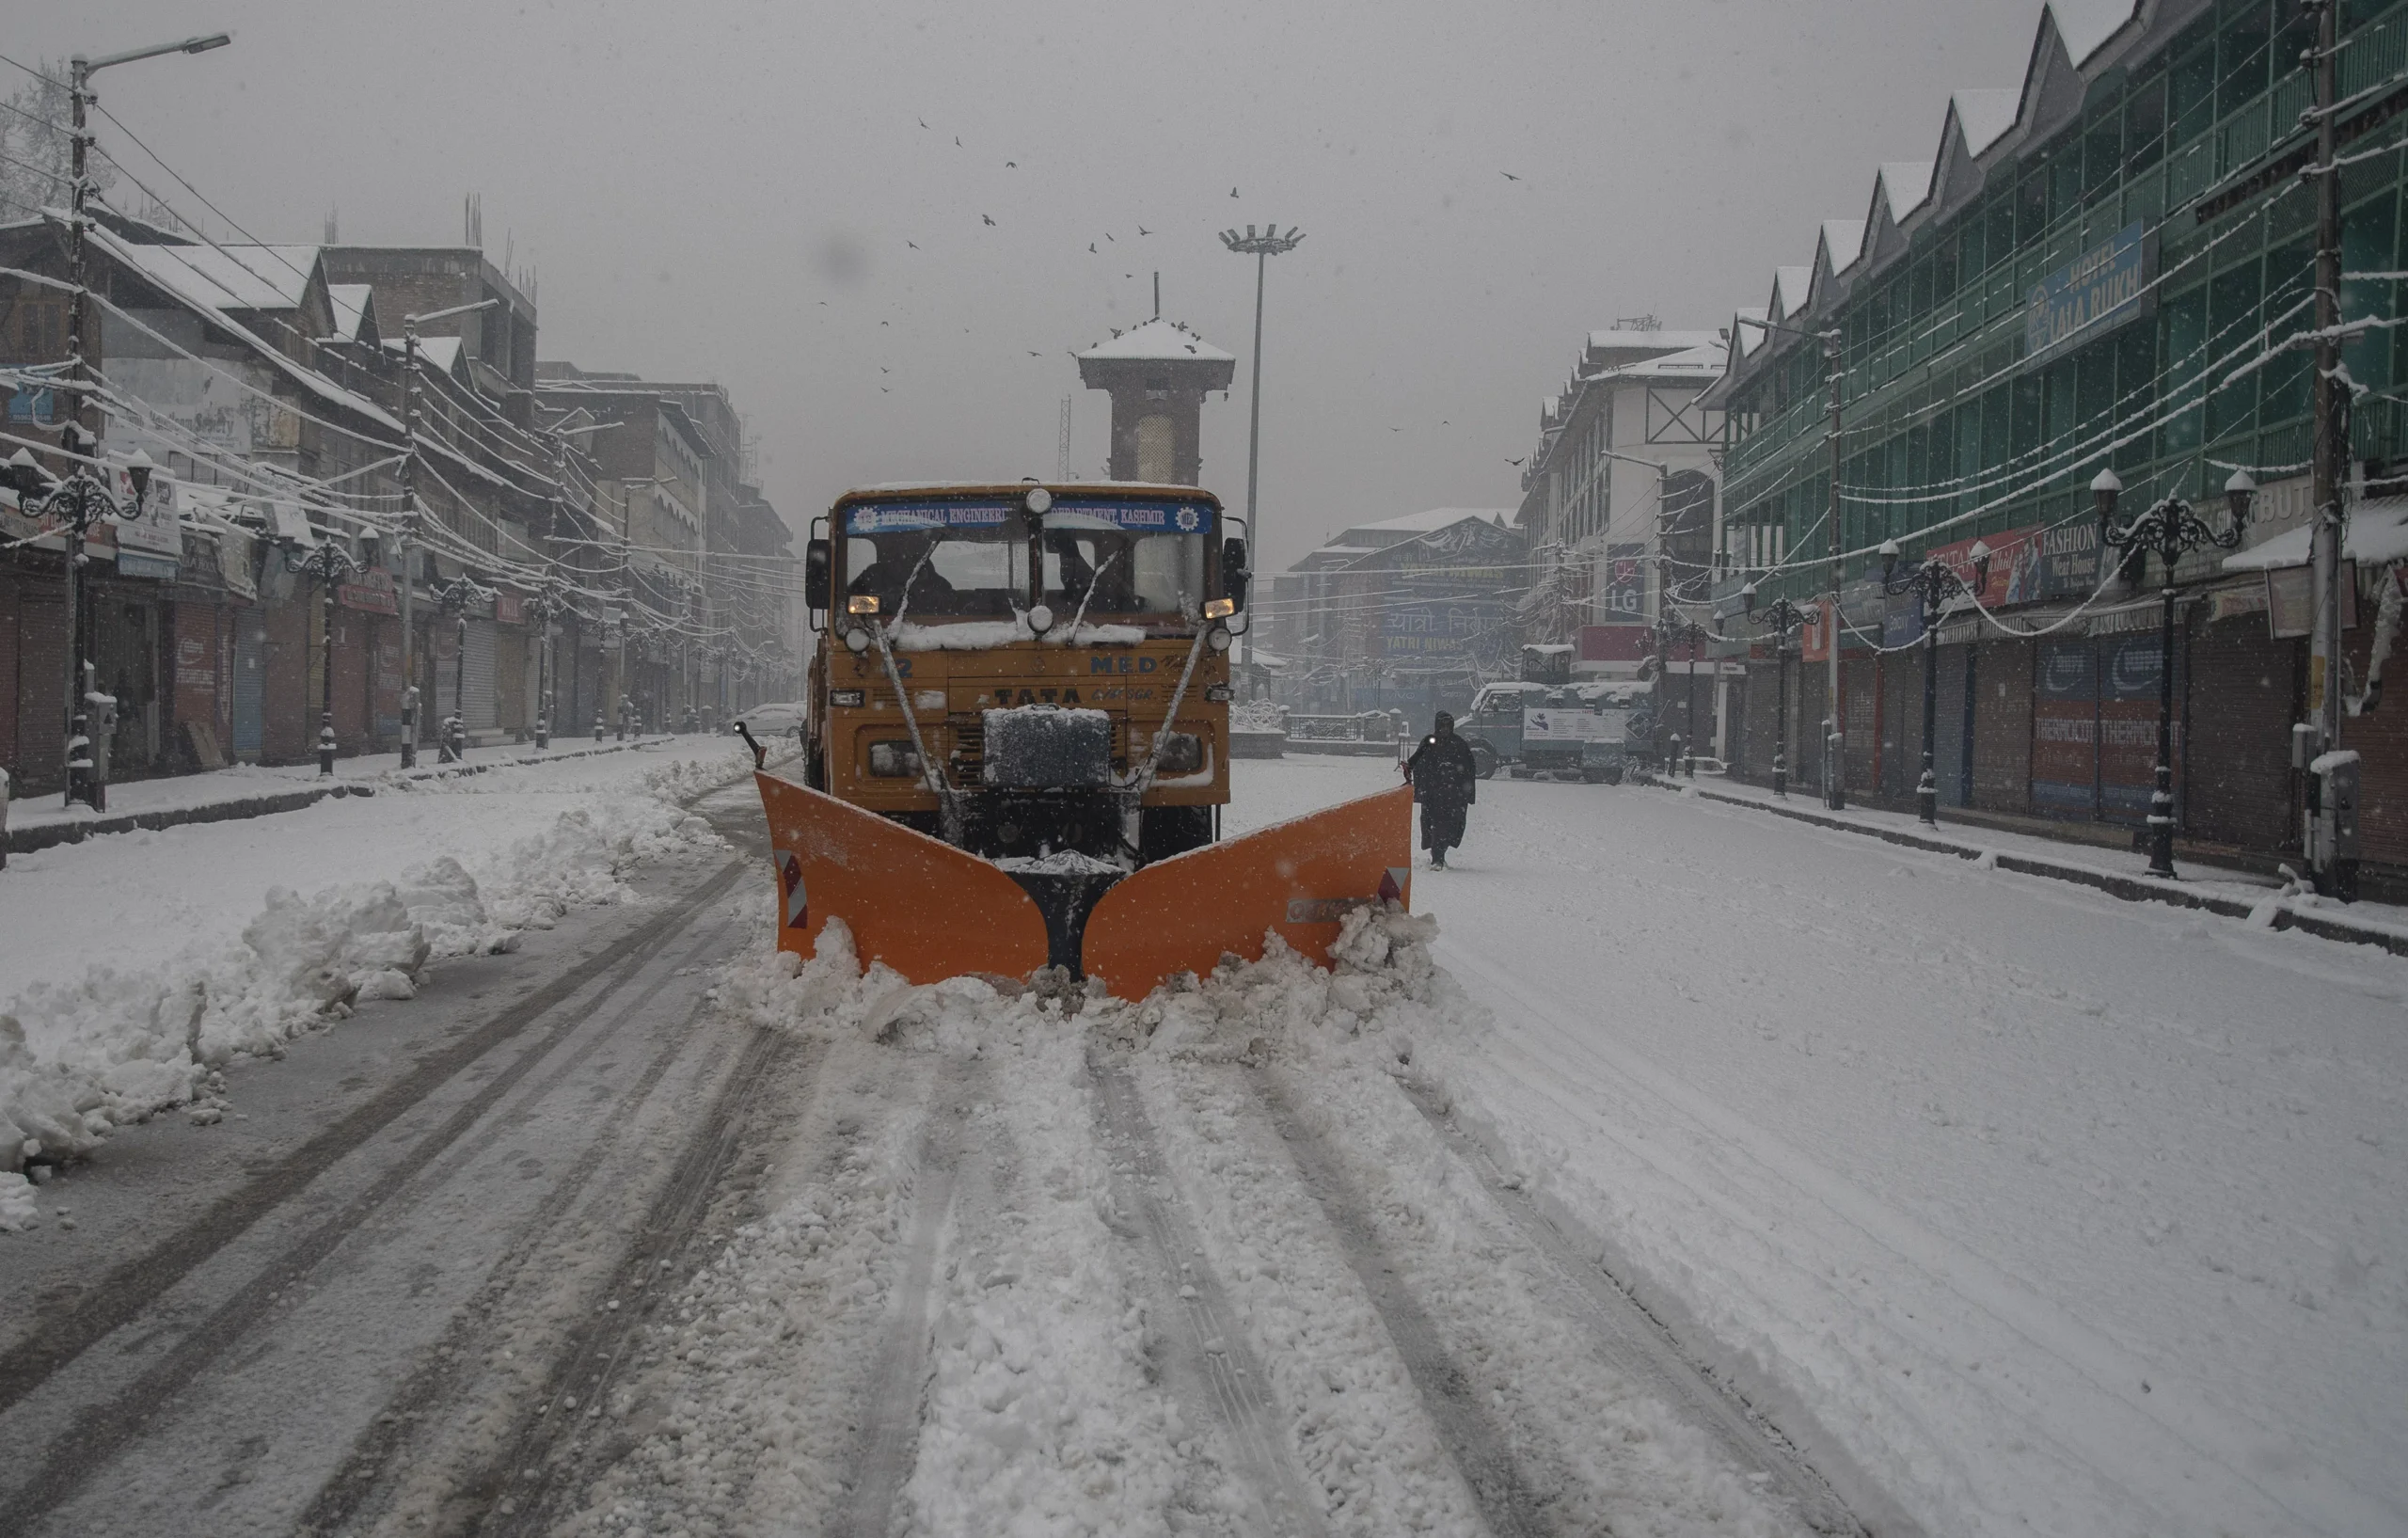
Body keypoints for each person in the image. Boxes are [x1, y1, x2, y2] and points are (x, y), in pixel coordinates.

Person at [1403, 710, 1479, 868]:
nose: (1445, 729)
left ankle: (1439, 854)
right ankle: (1437, 856)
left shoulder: (1458, 744)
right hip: (1433, 794)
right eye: (1442, 726)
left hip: (1453, 796)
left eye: (1447, 726)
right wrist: (1409, 766)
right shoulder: (1430, 741)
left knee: (1449, 826)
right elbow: (1418, 758)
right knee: (1435, 824)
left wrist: (1466, 792)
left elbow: (1469, 768)